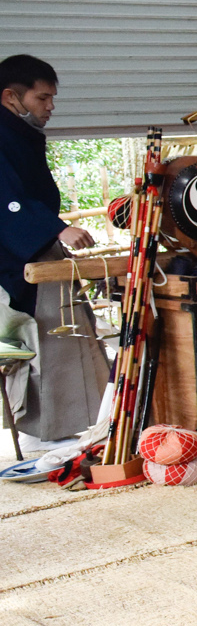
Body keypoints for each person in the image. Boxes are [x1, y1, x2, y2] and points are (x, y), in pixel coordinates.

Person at [0, 54, 106, 442]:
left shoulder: (17, 132)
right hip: (18, 252)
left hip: (35, 243)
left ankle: (82, 421)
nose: (50, 107)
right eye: (42, 98)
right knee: (52, 337)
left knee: (69, 332)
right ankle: (62, 427)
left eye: (51, 98)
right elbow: (6, 201)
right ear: (10, 97)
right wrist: (56, 230)